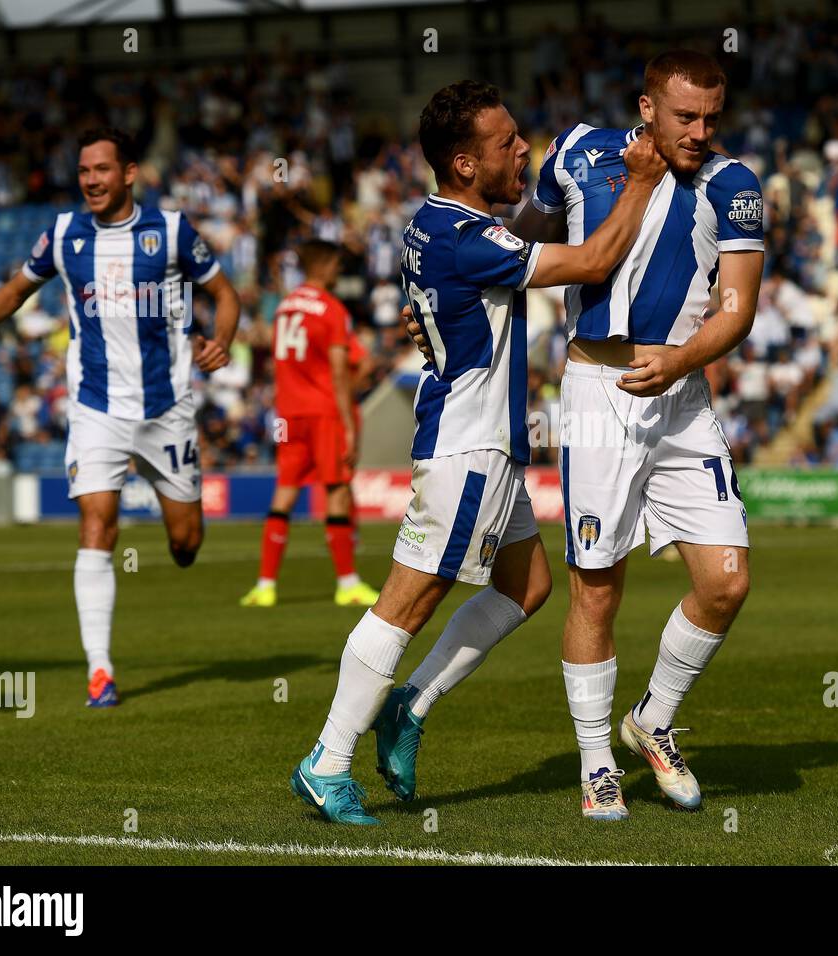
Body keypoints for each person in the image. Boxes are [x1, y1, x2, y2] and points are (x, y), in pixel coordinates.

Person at [289, 80, 667, 825]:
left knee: (527, 589)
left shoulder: (437, 225)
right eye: (506, 144)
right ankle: (328, 759)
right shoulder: (468, 239)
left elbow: (489, 265)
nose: (524, 149)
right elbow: (594, 262)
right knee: (409, 602)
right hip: (468, 446)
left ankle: (409, 707)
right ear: (464, 164)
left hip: (486, 444)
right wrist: (644, 183)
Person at [407, 50, 763, 820]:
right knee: (595, 588)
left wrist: (680, 361)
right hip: (599, 394)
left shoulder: (736, 186)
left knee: (726, 580)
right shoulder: (576, 152)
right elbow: (517, 248)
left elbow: (737, 308)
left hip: (683, 392)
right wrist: (441, 304)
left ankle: (653, 722)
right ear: (646, 108)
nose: (701, 131)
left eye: (712, 117)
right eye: (684, 116)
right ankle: (597, 763)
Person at [0, 126, 239, 705]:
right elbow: (15, 290)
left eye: (102, 170)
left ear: (129, 173)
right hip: (96, 406)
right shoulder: (63, 235)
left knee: (186, 544)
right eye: (83, 172)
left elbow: (225, 293)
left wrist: (220, 339)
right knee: (97, 525)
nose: (91, 181)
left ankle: (178, 538)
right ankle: (100, 671)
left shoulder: (171, 231)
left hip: (166, 407)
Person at [239, 240, 381, 607]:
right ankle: (347, 583)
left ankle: (265, 585)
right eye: (336, 265)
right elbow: (338, 371)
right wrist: (348, 425)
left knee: (284, 491)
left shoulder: (284, 307)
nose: (339, 271)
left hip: (288, 412)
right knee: (336, 489)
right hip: (323, 411)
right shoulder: (331, 310)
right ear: (325, 265)